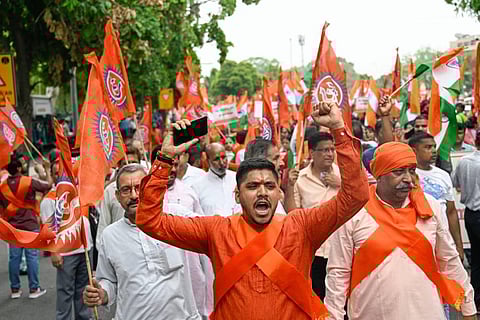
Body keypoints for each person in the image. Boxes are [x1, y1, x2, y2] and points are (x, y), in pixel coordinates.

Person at [135, 102, 369, 319]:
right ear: (237, 195)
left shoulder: (302, 226)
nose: (262, 192)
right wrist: (165, 159)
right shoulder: (216, 230)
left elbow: (356, 195)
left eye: (269, 186)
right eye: (252, 186)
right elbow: (149, 220)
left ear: (279, 193)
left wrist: (339, 129)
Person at [324, 142, 476, 320]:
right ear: (378, 175)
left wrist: (468, 308)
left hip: (428, 313)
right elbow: (338, 273)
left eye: (411, 171)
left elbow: (449, 261)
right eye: (398, 172)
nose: (408, 179)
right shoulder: (354, 211)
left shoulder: (429, 207)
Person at [83, 164, 204, 320]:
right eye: (126, 190)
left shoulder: (175, 215)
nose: (134, 195)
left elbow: (211, 229)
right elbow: (108, 280)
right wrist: (102, 293)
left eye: (139, 188)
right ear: (118, 196)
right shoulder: (110, 236)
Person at [40, 161, 92, 320]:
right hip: (66, 254)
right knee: (65, 293)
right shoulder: (49, 200)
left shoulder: (78, 191)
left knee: (84, 290)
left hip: (85, 248)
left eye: (61, 172)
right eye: (55, 173)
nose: (59, 176)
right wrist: (54, 253)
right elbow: (48, 232)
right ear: (52, 175)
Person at [294, 131, 341, 300]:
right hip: (315, 251)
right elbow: (294, 214)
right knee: (317, 299)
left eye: (332, 149)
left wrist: (341, 184)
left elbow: (361, 200)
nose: (330, 154)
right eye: (324, 150)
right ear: (312, 153)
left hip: (341, 249)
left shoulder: (344, 175)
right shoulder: (299, 179)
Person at [0, 155, 53, 299]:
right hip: (30, 225)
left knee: (14, 259)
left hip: (13, 228)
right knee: (32, 257)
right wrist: (47, 169)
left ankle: (15, 290)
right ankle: (34, 288)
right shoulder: (28, 182)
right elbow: (48, 185)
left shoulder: (2, 187)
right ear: (18, 168)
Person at [409, 132, 464, 260]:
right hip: (419, 242)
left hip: (443, 241)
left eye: (434, 146)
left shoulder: (443, 175)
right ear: (414, 150)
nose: (433, 151)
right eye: (427, 147)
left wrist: (459, 247)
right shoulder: (408, 176)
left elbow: (451, 212)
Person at [453, 129, 480, 311]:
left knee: (477, 260)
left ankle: (475, 301)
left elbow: (455, 184)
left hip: (471, 215)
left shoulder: (464, 162)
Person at [190, 142, 237, 216]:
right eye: (216, 159)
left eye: (223, 157)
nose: (222, 163)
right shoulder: (197, 187)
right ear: (208, 162)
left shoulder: (237, 179)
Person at [361, 96, 395, 175]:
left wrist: (385, 114)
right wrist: (385, 115)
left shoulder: (400, 150)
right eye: (383, 131)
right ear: (376, 134)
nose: (387, 133)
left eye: (391, 131)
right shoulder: (368, 155)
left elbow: (388, 147)